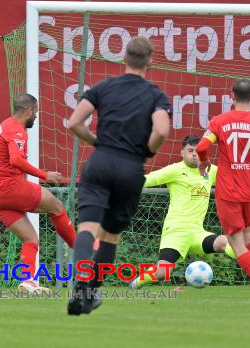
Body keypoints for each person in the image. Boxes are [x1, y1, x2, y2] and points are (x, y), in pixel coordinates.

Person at [67, 36, 172, 315]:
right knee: (111, 235)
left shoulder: (104, 87)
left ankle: (80, 279)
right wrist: (147, 151)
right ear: (149, 61)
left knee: (87, 228)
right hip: (130, 166)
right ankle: (89, 294)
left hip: (100, 162)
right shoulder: (155, 95)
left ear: (123, 58)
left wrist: (97, 143)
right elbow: (161, 130)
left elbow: (75, 122)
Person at [129, 135, 250, 289]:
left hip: (197, 233)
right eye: (190, 151)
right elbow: (146, 180)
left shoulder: (211, 171)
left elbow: (239, 179)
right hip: (176, 232)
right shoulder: (174, 170)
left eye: (197, 151)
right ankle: (136, 283)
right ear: (182, 153)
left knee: (225, 241)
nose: (194, 154)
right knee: (163, 272)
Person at [0, 93, 76, 294]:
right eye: (36, 114)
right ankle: (80, 249)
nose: (36, 118)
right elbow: (16, 160)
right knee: (57, 206)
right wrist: (45, 175)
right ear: (29, 111)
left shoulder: (4, 125)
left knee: (31, 239)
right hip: (8, 188)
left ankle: (29, 282)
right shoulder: (17, 130)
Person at [197, 78, 250, 297]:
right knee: (248, 233)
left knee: (236, 240)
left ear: (231, 95)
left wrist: (204, 161)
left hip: (229, 192)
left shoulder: (219, 121)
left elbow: (201, 146)